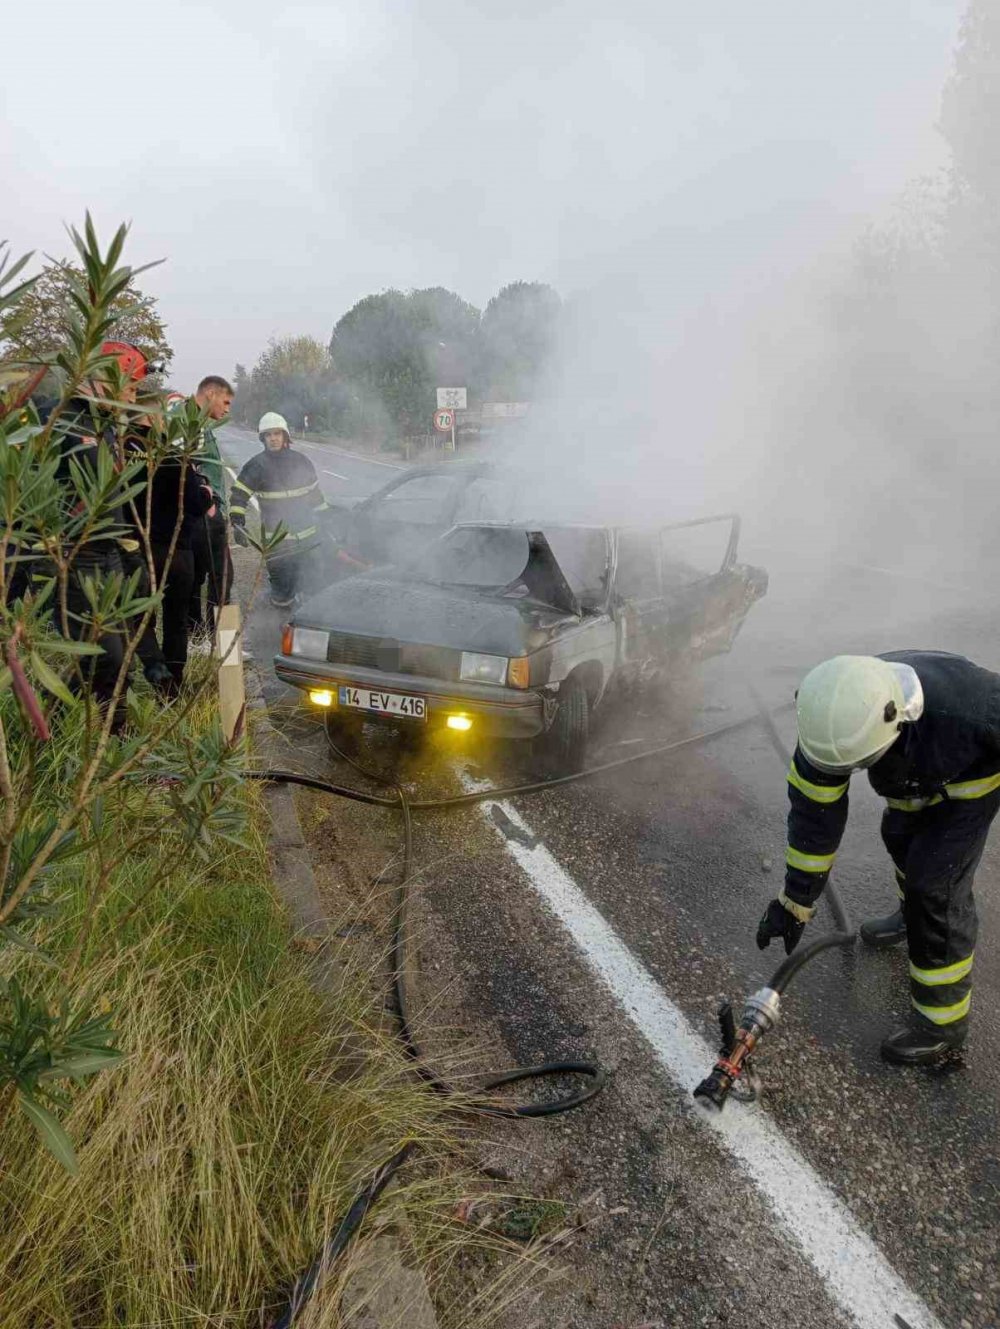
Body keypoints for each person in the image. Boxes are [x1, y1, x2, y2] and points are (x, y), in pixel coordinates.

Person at [757, 651, 1000, 1066]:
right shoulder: (832, 718)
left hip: (970, 781)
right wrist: (795, 902)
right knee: (901, 839)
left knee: (934, 886)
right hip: (908, 776)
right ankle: (912, 919)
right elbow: (815, 821)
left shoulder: (973, 711)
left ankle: (942, 1025)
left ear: (897, 721)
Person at [229, 412, 331, 607]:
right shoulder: (257, 465)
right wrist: (237, 523)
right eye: (268, 435)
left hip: (308, 542)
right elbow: (239, 496)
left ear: (285, 436)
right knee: (282, 597)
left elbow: (316, 496)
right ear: (263, 438)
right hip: (278, 545)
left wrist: (327, 519)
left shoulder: (301, 461)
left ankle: (305, 633)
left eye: (277, 433)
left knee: (313, 593)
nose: (273, 438)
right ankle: (276, 631)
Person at [177, 375, 234, 636]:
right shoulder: (186, 421)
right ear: (210, 393)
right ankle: (210, 638)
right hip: (201, 514)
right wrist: (209, 506)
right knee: (209, 577)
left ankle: (203, 635)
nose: (227, 409)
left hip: (209, 513)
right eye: (225, 401)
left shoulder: (202, 424)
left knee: (212, 577)